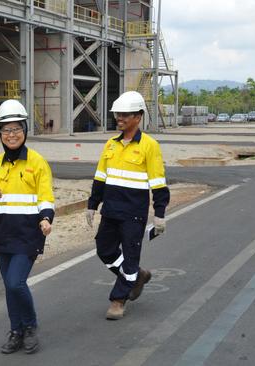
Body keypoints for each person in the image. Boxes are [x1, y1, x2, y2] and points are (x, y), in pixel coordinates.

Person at [0, 99, 55, 354]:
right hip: (4, 233)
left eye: (16, 129)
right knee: (9, 286)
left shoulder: (37, 162)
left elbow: (46, 197)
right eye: (6, 130)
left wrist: (46, 218)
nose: (11, 135)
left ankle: (30, 326)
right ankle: (16, 331)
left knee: (15, 283)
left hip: (29, 233)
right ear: (0, 133)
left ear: (24, 129)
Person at [85, 91, 170, 320]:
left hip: (133, 213)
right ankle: (137, 276)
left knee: (130, 256)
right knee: (104, 250)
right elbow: (100, 177)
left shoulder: (149, 146)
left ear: (138, 117)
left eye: (125, 114)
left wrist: (159, 215)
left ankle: (118, 300)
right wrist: (92, 204)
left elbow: (158, 183)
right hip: (111, 210)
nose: (119, 118)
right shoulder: (110, 145)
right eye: (117, 114)